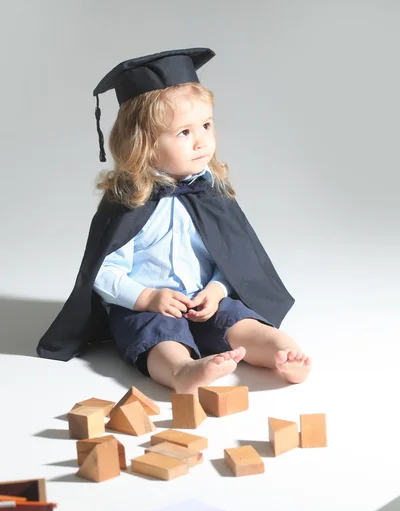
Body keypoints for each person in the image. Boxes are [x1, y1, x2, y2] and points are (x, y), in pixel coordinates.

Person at [37, 47, 311, 394]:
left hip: (203, 300)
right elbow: (102, 272)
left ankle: (281, 351)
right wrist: (147, 298)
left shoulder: (211, 194)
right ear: (145, 145)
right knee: (155, 335)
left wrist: (215, 290)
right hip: (148, 304)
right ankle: (182, 370)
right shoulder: (127, 202)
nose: (202, 140)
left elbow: (231, 259)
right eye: (184, 132)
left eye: (207, 125)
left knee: (239, 319)